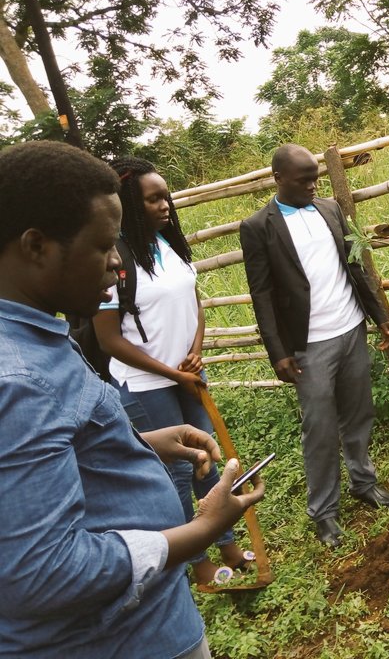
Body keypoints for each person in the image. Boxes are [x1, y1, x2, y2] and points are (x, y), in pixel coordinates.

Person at [0, 140, 263, 658]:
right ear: (36, 246)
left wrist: (138, 439)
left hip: (140, 621)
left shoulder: (35, 335)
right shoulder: (18, 380)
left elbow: (49, 451)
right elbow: (42, 573)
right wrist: (199, 531)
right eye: (102, 246)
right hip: (116, 640)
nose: (117, 263)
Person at [92, 156, 247, 585]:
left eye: (166, 197)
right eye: (153, 199)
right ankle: (194, 562)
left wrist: (194, 353)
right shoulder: (117, 259)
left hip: (185, 377)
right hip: (147, 384)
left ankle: (228, 544)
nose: (165, 206)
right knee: (178, 471)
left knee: (208, 460)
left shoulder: (169, 245)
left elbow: (194, 302)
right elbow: (109, 339)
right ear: (129, 204)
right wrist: (170, 372)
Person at [239, 143, 389, 549]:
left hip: (350, 330)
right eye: (303, 178)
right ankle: (324, 512)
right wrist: (279, 352)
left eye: (315, 177)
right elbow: (261, 294)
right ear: (278, 179)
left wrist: (379, 316)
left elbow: (355, 266)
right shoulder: (259, 227)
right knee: (320, 430)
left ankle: (364, 482)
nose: (312, 184)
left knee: (359, 415)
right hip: (308, 346)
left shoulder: (329, 209)